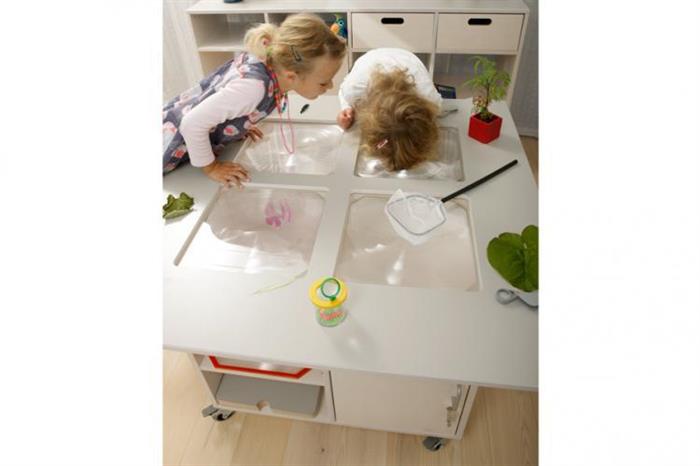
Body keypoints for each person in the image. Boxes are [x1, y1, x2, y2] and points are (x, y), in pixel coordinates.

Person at [163, 14, 347, 186]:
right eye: (324, 82)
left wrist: (238, 123)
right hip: (169, 146)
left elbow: (226, 99)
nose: (330, 86)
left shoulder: (269, 62)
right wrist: (212, 168)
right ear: (291, 76)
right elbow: (191, 123)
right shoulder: (253, 89)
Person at [336, 48, 441, 171]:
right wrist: (346, 108)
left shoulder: (430, 98)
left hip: (409, 61)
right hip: (370, 59)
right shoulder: (354, 89)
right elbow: (343, 91)